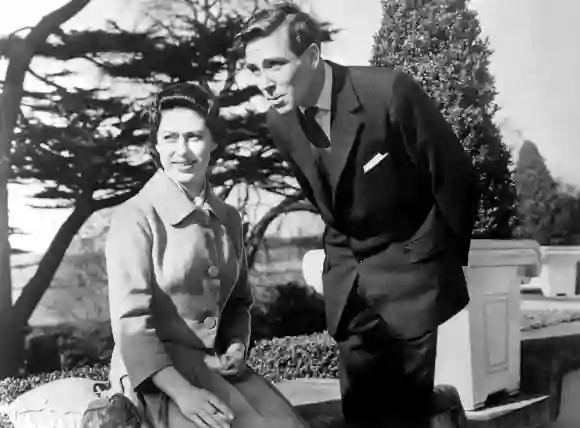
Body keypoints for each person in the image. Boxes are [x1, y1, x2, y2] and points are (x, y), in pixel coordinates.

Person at [236, 4, 480, 428]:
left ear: (312, 57)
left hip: (412, 280)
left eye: (274, 65)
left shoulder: (388, 93)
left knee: (404, 417)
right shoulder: (280, 123)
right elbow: (325, 199)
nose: (263, 83)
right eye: (254, 69)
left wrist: (437, 263)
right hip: (349, 287)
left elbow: (455, 178)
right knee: (360, 417)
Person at [105, 82, 308, 428]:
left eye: (194, 137)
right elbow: (131, 327)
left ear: (214, 141)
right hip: (155, 376)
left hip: (215, 368)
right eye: (170, 138)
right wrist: (183, 393)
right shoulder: (135, 217)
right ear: (156, 143)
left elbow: (238, 304)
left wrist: (236, 349)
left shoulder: (228, 218)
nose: (182, 151)